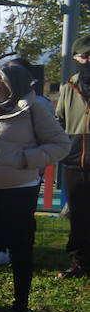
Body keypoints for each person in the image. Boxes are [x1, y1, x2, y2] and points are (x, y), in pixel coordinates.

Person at [0, 58, 69, 312]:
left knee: (21, 249)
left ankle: (20, 307)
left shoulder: (32, 109)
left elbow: (60, 144)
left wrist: (24, 159)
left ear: (14, 84)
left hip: (19, 189)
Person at [54, 34, 90, 279]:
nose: (88, 60)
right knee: (78, 215)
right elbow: (58, 120)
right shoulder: (68, 87)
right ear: (76, 58)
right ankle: (79, 263)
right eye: (84, 56)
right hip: (75, 160)